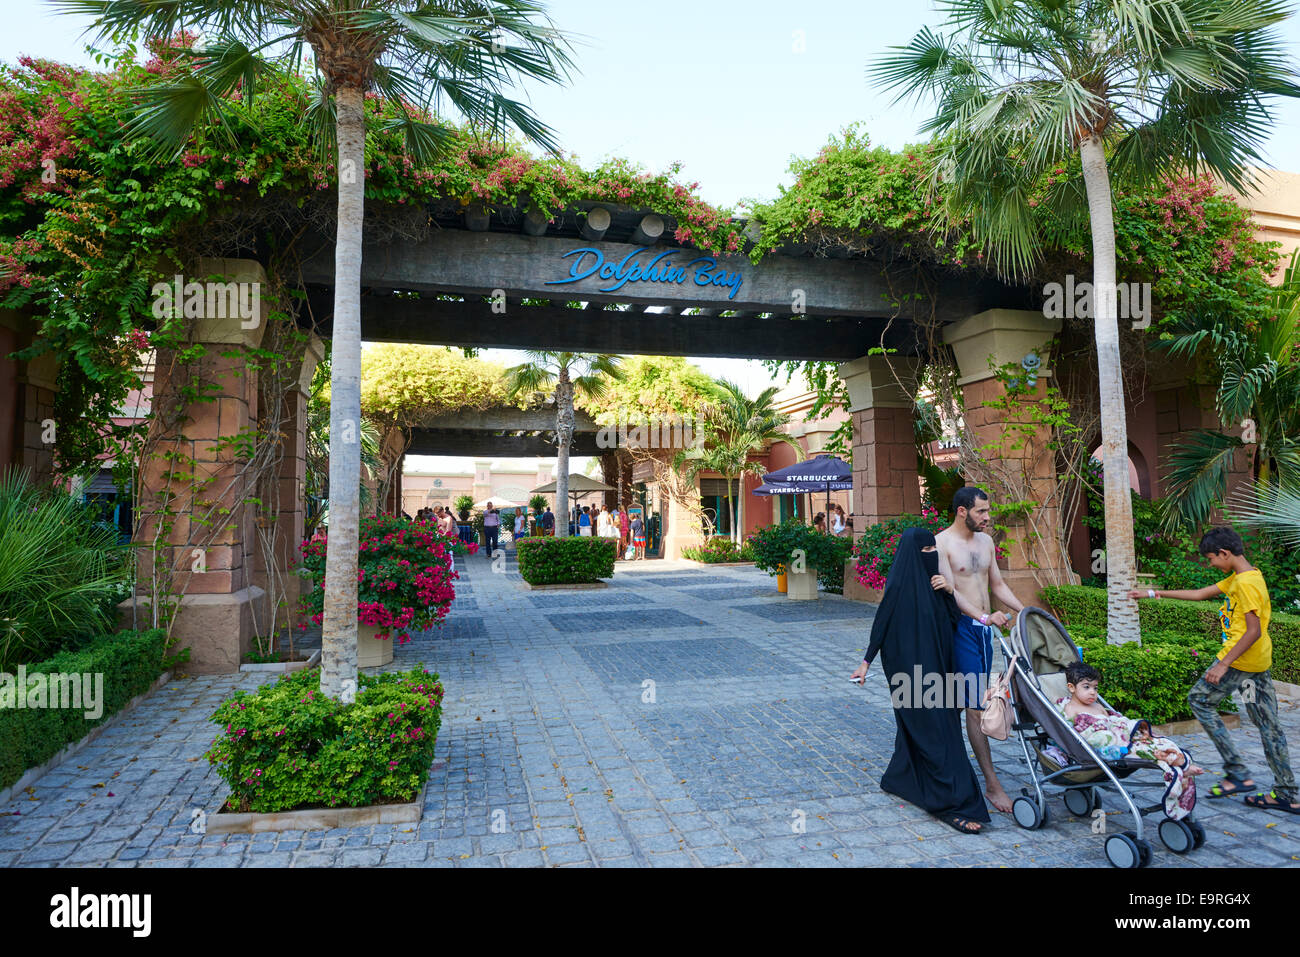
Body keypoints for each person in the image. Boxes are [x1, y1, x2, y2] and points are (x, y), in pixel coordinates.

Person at [1129, 526, 1298, 814]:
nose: (1210, 564)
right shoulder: (1245, 575)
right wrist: (1152, 593)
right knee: (1269, 727)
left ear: (1224, 553)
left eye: (1211, 558)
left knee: (1199, 700)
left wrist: (1223, 664)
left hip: (1240, 661)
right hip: (1256, 663)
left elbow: (1253, 631)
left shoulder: (1245, 584)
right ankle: (1287, 793)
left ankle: (1237, 772)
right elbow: (1199, 594)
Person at [850, 527, 990, 834]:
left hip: (942, 670)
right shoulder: (899, 586)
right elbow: (882, 624)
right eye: (924, 552)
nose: (930, 556)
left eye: (933, 551)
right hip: (909, 676)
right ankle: (951, 804)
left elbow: (955, 621)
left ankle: (900, 779)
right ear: (912, 554)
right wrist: (865, 664)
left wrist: (948, 591)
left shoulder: (937, 586)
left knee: (936, 730)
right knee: (936, 736)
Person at [929, 486, 1024, 813]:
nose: (987, 517)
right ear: (961, 511)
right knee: (974, 705)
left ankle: (947, 769)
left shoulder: (986, 542)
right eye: (981, 512)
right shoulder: (942, 543)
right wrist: (984, 617)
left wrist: (1025, 612)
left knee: (966, 702)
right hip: (962, 630)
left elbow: (996, 585)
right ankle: (992, 785)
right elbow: (950, 592)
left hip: (985, 632)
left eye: (987, 511)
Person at [1057, 661, 1201, 820]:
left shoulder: (1097, 706)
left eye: (1095, 687)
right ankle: (1179, 764)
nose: (1092, 692)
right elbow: (1082, 734)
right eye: (1086, 687)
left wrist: (1124, 727)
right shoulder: (1071, 709)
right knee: (1146, 751)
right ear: (1071, 688)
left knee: (1156, 741)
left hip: (1122, 737)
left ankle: (1180, 760)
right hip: (1111, 747)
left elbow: (1114, 721)